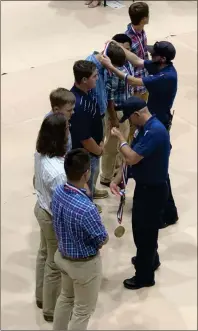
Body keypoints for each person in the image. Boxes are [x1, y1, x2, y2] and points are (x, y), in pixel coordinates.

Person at [101, 40, 179, 227]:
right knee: (150, 164)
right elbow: (137, 61)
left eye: (154, 54)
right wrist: (117, 46)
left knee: (159, 169)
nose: (150, 56)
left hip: (159, 122)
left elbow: (132, 79)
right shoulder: (161, 65)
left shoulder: (166, 76)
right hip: (150, 119)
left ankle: (167, 212)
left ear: (162, 58)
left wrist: (110, 66)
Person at [110, 96, 170, 289]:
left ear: (137, 114)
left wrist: (120, 139)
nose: (129, 121)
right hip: (145, 187)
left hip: (152, 190)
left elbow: (133, 157)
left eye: (129, 117)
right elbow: (130, 158)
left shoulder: (155, 132)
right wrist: (118, 179)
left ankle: (144, 277)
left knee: (144, 233)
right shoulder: (144, 130)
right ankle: (151, 259)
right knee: (145, 230)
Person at [52, 149, 109, 330]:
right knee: (82, 311)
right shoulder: (87, 209)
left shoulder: (59, 191)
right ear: (86, 173)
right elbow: (102, 238)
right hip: (83, 266)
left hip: (62, 256)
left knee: (66, 298)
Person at [34, 113, 69, 322]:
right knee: (54, 264)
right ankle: (49, 309)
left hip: (40, 207)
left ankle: (40, 296)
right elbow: (61, 205)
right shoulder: (58, 172)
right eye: (66, 129)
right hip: (51, 216)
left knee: (43, 253)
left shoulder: (40, 153)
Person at [70, 60, 106, 213]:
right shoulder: (78, 105)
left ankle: (93, 189)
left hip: (96, 147)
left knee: (93, 177)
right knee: (86, 182)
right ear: (84, 80)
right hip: (88, 153)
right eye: (95, 76)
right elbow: (85, 138)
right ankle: (88, 204)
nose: (97, 79)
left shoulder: (87, 92)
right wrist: (98, 151)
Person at [100, 38, 134, 187]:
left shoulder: (121, 64)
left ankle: (115, 170)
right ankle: (106, 176)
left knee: (121, 142)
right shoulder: (113, 73)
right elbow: (110, 97)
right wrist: (113, 117)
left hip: (124, 111)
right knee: (112, 146)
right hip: (117, 113)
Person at [125, 1, 149, 102]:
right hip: (136, 84)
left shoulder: (141, 31)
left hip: (145, 76)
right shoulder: (128, 40)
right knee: (137, 111)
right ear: (144, 19)